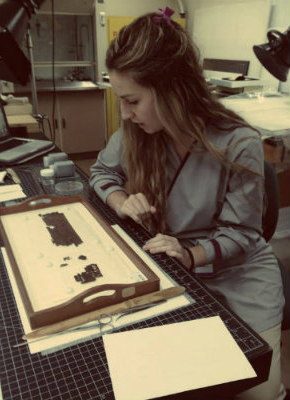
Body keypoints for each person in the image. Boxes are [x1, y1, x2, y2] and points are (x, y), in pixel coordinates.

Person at [89, 7, 286, 400]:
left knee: (255, 390)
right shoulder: (137, 132)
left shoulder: (237, 142)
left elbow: (243, 233)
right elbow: (101, 173)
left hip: (239, 275)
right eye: (121, 101)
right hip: (174, 271)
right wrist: (122, 199)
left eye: (132, 101)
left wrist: (190, 254)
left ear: (172, 89)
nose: (125, 115)